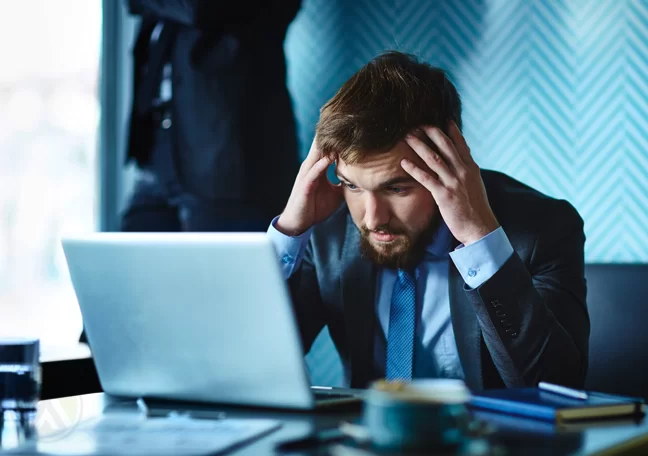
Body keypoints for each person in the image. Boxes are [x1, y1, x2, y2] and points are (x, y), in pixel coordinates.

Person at [268, 51, 590, 391]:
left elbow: (557, 387)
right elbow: (256, 364)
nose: (372, 218)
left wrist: (480, 240)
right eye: (352, 185)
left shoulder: (543, 229)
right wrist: (290, 231)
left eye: (396, 188)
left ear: (447, 166)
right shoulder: (326, 231)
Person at [122, 0, 301, 232]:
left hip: (227, 165)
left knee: (224, 266)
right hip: (157, 158)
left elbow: (198, 7)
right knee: (120, 262)